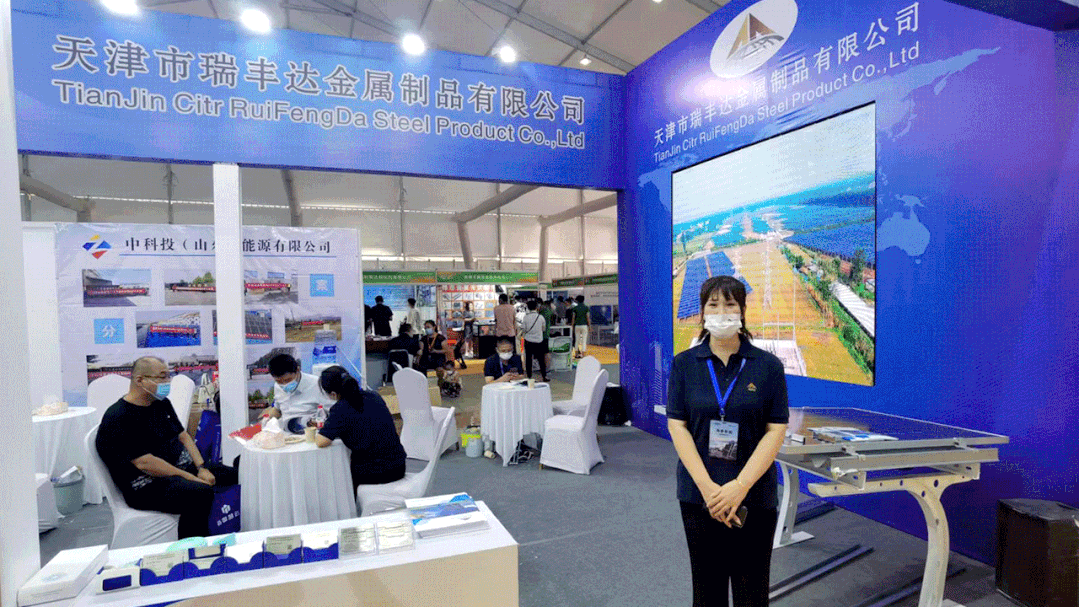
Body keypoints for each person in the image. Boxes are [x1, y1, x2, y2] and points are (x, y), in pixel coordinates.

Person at [666, 276, 789, 607]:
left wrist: (739, 486)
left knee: (752, 594)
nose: (722, 312)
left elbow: (776, 430)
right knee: (707, 594)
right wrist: (709, 489)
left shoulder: (768, 366)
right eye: (713, 305)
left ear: (742, 311)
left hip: (753, 498)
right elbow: (677, 426)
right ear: (702, 313)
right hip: (699, 496)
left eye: (730, 304)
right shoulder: (684, 364)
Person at [96, 356, 238, 539]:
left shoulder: (161, 403)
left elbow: (183, 436)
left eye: (168, 376)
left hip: (178, 468)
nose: (168, 382)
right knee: (200, 494)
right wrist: (190, 477)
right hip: (146, 485)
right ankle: (192, 546)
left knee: (233, 474)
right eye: (162, 377)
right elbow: (145, 463)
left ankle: (230, 528)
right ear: (140, 380)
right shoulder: (118, 417)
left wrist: (201, 468)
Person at [314, 366, 406, 493]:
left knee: (338, 476)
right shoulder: (374, 396)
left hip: (375, 472)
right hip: (399, 466)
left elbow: (321, 441)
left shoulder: (340, 409)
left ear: (333, 394)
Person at [260, 353, 334, 433]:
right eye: (279, 381)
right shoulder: (277, 386)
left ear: (297, 370)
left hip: (312, 433)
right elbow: (277, 410)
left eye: (288, 380)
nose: (284, 384)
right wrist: (266, 420)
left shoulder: (317, 384)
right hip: (286, 433)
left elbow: (333, 413)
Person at [519, 299, 549, 381]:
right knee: (541, 360)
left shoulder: (526, 317)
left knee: (528, 360)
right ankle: (544, 376)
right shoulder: (541, 317)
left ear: (528, 308)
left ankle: (529, 377)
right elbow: (543, 329)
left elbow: (523, 329)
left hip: (528, 341)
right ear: (536, 307)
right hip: (539, 341)